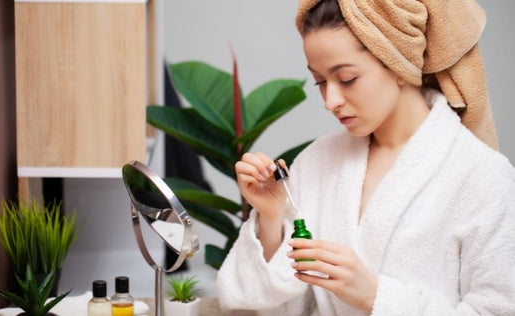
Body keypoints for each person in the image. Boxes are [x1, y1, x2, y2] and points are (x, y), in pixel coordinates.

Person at [216, 0, 515, 315]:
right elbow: (270, 305)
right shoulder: (317, 161)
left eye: (346, 79)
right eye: (320, 82)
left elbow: (498, 309)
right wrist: (272, 219)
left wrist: (375, 295)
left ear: (398, 64)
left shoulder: (483, 175)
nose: (330, 101)